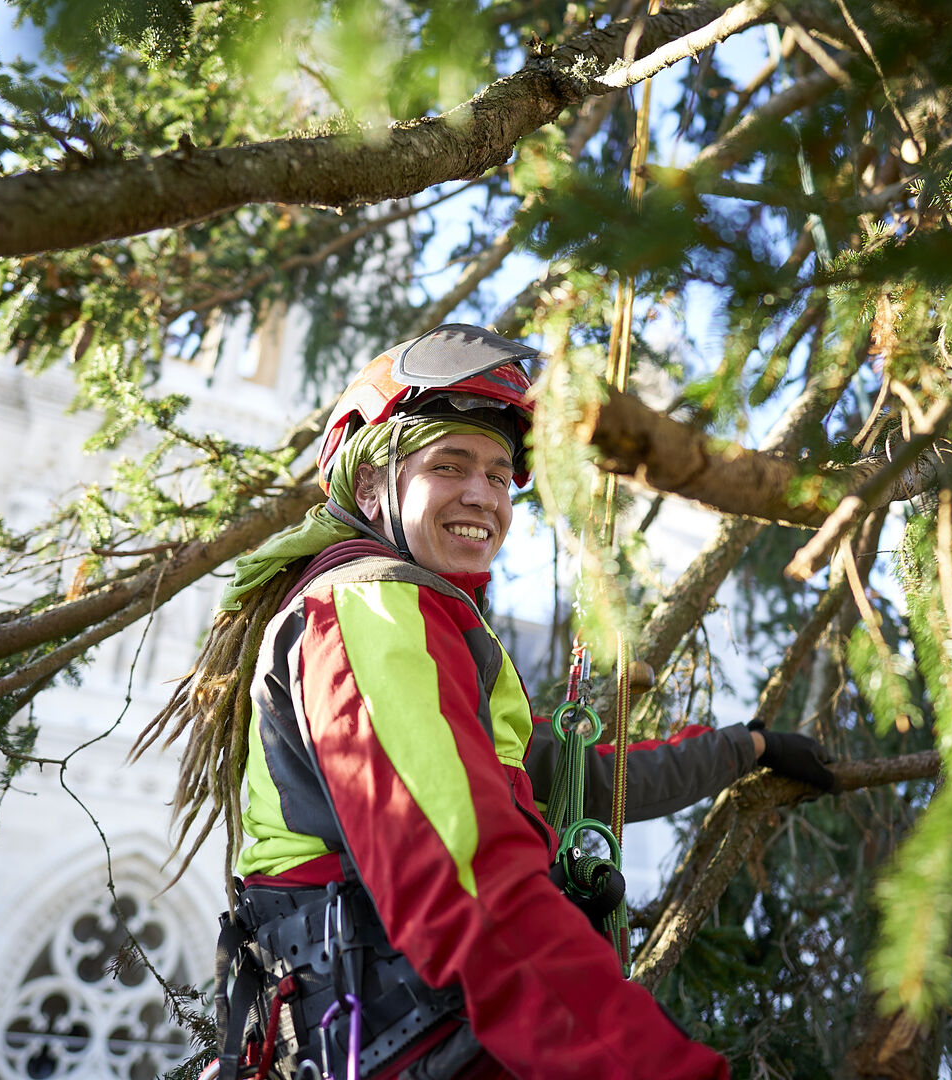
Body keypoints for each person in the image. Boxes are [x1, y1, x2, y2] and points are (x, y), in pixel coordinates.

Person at [158, 324, 838, 1080]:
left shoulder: (425, 628)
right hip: (421, 1044)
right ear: (374, 486)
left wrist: (749, 748)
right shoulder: (376, 611)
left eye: (499, 473)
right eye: (448, 465)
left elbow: (579, 778)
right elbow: (464, 877)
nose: (482, 495)